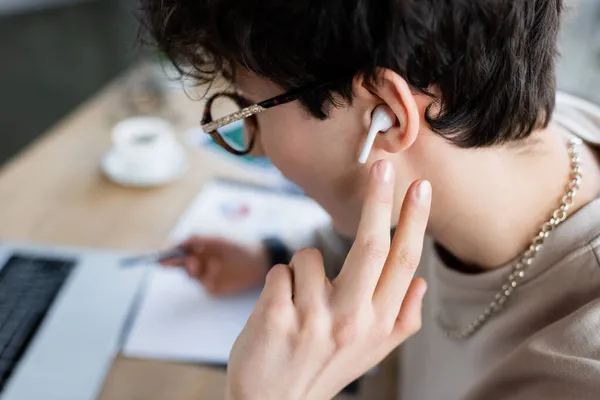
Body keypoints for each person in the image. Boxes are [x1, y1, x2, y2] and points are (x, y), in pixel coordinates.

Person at [140, 0, 600, 399]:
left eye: (251, 109)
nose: (256, 146)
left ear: (389, 116)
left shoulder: (577, 373)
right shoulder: (517, 137)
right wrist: (268, 258)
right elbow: (382, 237)